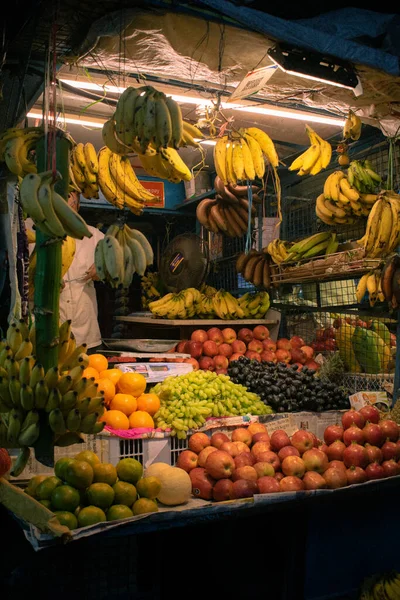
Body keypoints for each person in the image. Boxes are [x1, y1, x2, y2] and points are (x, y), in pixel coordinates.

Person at [59, 191, 105, 353]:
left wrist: (103, 268)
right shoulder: (31, 230)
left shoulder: (94, 236)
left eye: (71, 202)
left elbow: (121, 266)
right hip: (46, 336)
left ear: (78, 206)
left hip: (86, 336)